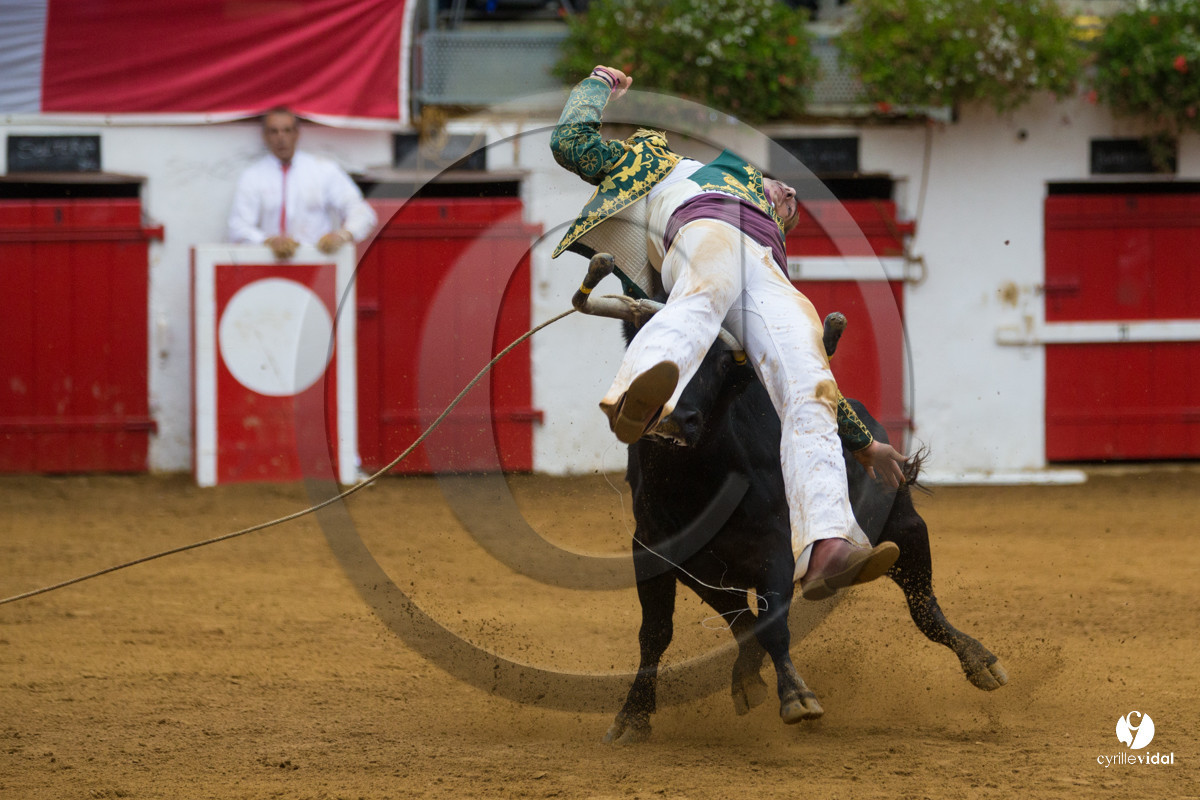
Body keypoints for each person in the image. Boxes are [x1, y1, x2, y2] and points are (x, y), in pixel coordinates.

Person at [551, 65, 908, 601]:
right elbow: (570, 142)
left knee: (808, 376)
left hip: (758, 266)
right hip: (702, 227)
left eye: (792, 209)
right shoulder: (667, 164)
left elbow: (819, 388)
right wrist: (599, 85)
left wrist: (864, 445)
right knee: (705, 288)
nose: (792, 198)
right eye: (785, 193)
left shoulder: (774, 255)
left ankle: (827, 542)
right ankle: (640, 398)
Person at [228, 107, 377, 259]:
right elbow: (238, 227)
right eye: (274, 131)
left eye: (287, 130)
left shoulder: (323, 170)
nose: (281, 138)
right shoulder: (253, 176)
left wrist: (342, 235)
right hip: (269, 264)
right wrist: (267, 241)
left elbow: (361, 211)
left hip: (319, 262)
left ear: (297, 133)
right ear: (265, 136)